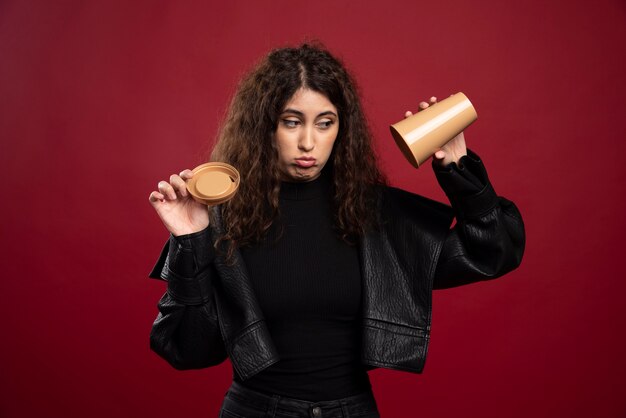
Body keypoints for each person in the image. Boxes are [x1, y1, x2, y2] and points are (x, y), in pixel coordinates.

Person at [147, 43, 525, 418]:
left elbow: (494, 249)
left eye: (325, 123)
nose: (308, 142)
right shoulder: (223, 218)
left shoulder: (375, 215)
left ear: (342, 128)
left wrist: (459, 170)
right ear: (264, 126)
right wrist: (190, 240)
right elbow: (188, 349)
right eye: (291, 122)